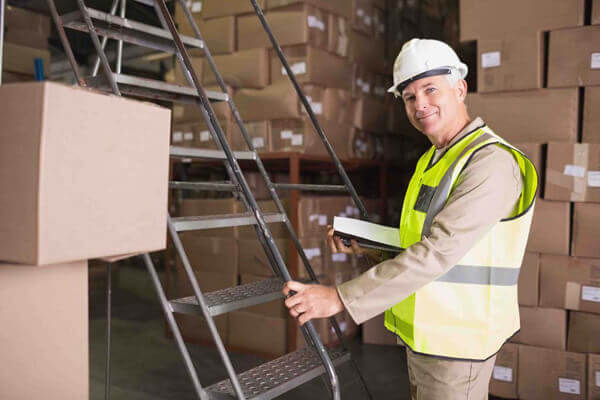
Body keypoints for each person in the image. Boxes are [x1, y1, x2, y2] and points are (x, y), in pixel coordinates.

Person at [282, 38, 538, 399]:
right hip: (427, 338)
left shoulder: (490, 163)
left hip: (458, 343)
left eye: (430, 89)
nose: (420, 105)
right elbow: (419, 239)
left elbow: (438, 251)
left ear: (460, 88)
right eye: (409, 97)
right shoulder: (433, 159)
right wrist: (369, 244)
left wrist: (341, 298)